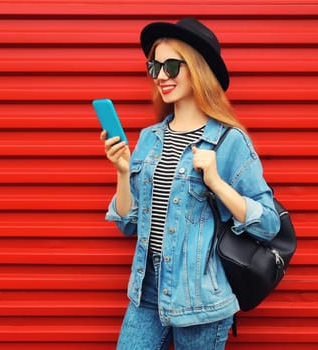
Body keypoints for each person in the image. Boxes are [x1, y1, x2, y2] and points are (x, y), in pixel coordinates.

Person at [101, 17, 281, 350]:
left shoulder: (229, 141)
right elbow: (128, 224)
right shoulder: (149, 139)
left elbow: (268, 224)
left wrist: (215, 181)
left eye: (171, 66)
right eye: (154, 67)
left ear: (197, 69)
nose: (161, 77)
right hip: (146, 294)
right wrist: (123, 172)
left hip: (201, 303)